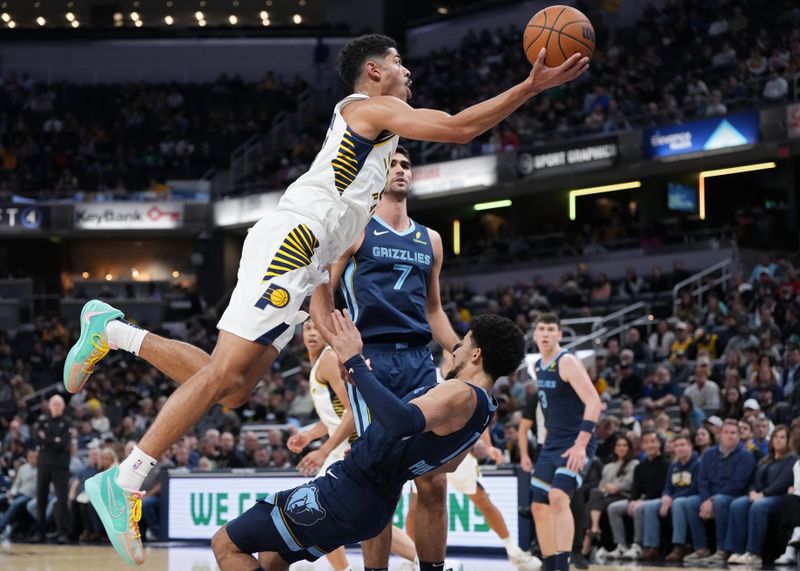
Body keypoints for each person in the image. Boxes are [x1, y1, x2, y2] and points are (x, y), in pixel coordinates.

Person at [65, 36, 588, 566]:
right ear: (372, 70)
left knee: (236, 390)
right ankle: (127, 478)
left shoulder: (379, 140)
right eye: (398, 62)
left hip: (309, 253)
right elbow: (458, 127)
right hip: (296, 238)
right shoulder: (372, 107)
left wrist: (325, 310)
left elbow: (337, 261)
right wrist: (531, 85)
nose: (407, 71)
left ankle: (112, 331)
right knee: (225, 377)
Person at [210, 310, 525, 571]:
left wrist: (354, 362)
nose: (453, 349)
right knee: (271, 556)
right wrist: (375, 440)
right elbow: (448, 463)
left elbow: (402, 422)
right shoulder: (486, 410)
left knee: (225, 543)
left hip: (344, 492)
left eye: (462, 343)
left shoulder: (459, 391)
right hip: (375, 508)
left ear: (476, 353)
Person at [308, 144, 463, 571]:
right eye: (392, 163)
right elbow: (322, 286)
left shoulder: (430, 238)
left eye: (405, 164)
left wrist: (459, 348)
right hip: (371, 362)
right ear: (376, 175)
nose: (400, 169)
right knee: (380, 479)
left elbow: (433, 310)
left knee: (432, 479)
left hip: (418, 362)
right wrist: (337, 342)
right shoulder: (355, 229)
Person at [286, 318, 414, 571]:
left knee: (320, 513)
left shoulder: (328, 359)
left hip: (350, 448)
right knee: (361, 519)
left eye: (316, 328)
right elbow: (334, 417)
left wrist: (323, 450)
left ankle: (425, 561)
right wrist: (309, 437)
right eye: (307, 328)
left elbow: (354, 411)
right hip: (344, 446)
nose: (311, 332)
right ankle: (423, 561)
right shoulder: (318, 362)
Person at [528, 312, 601, 571]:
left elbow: (594, 402)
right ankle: (549, 565)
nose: (546, 333)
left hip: (577, 441)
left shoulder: (567, 361)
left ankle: (562, 565)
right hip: (553, 442)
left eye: (551, 329)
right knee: (538, 505)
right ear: (535, 334)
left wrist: (581, 444)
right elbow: (553, 405)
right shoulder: (537, 366)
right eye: (542, 329)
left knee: (558, 496)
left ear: (559, 334)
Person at [682, 419, 757, 563]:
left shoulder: (746, 455)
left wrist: (712, 500)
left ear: (739, 436)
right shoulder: (709, 454)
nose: (730, 436)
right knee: (690, 502)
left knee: (720, 501)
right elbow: (702, 480)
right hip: (711, 496)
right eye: (726, 432)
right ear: (720, 435)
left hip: (734, 495)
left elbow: (737, 484)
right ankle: (701, 548)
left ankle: (722, 549)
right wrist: (706, 499)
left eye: (733, 433)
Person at [725, 425, 795, 565]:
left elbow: (783, 482)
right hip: (761, 495)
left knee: (759, 506)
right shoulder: (765, 460)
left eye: (782, 437)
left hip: (780, 498)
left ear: (788, 441)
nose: (778, 440)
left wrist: (763, 494)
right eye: (776, 437)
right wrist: (752, 491)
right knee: (737, 504)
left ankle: (754, 553)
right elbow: (754, 480)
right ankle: (737, 551)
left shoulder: (792, 459)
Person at [606, 430, 670, 560]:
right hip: (642, 499)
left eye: (653, 441)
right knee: (613, 508)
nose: (650, 445)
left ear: (659, 444)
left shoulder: (666, 464)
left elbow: (661, 488)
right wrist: (632, 500)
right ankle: (621, 545)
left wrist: (640, 501)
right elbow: (636, 489)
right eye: (646, 442)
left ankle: (638, 545)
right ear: (642, 446)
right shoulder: (640, 466)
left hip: (658, 499)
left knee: (639, 508)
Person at [587, 435, 638, 558]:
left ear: (629, 448)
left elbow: (628, 483)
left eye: (624, 445)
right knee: (594, 493)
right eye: (619, 445)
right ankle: (594, 530)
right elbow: (601, 485)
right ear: (614, 448)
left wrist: (615, 487)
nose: (621, 448)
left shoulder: (634, 463)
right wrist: (607, 488)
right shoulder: (608, 466)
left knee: (593, 502)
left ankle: (588, 542)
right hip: (606, 497)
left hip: (624, 496)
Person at [653, 434, 701, 562]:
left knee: (678, 503)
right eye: (676, 446)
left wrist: (672, 498)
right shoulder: (673, 466)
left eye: (683, 445)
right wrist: (665, 496)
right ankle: (650, 546)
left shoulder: (698, 463)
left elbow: (695, 488)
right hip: (673, 498)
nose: (679, 448)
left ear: (690, 446)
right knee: (647, 507)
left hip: (691, 498)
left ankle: (679, 545)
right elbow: (667, 486)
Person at [35, 394, 71, 544]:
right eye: (54, 404)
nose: (56, 407)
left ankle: (63, 532)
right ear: (49, 406)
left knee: (62, 499)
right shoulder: (42, 420)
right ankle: (39, 531)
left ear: (63, 407)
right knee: (40, 498)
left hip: (60, 465)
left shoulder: (67, 422)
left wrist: (48, 441)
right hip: (44, 463)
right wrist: (54, 440)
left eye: (59, 404)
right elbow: (38, 439)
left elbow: (64, 443)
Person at [0, 449, 38, 539]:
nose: (33, 459)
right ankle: (9, 526)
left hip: (30, 496)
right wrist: (11, 492)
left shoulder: (41, 470)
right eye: (30, 457)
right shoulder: (23, 468)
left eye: (35, 457)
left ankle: (1, 528)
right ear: (28, 458)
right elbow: (16, 484)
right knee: (2, 499)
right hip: (19, 493)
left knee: (15, 504)